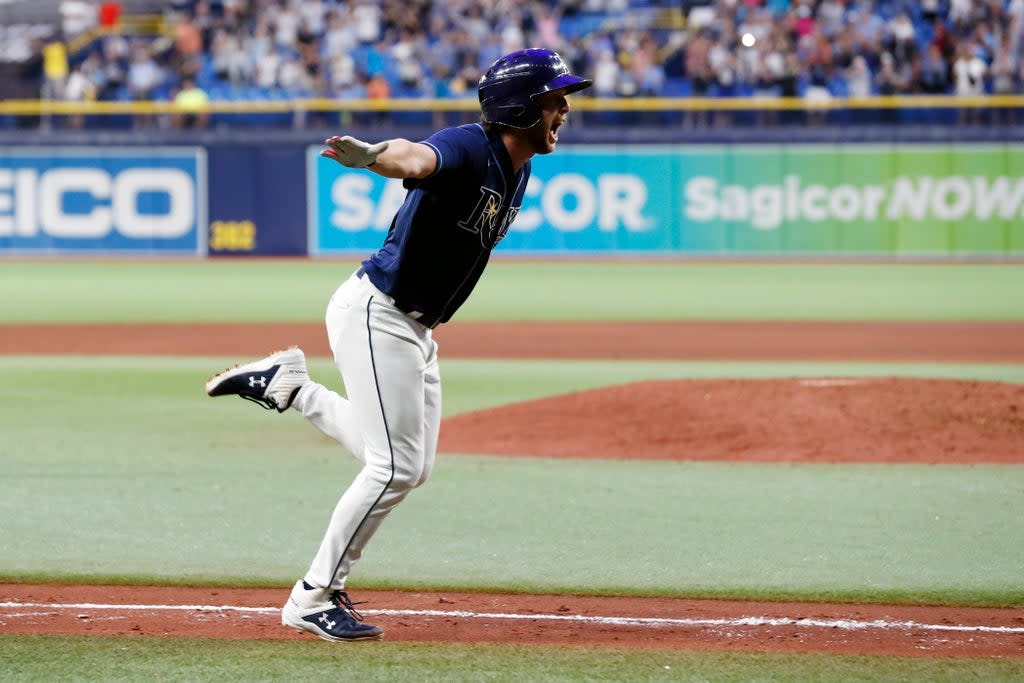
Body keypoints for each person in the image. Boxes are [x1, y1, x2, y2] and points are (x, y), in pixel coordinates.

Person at [205, 48, 591, 642]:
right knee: (393, 467)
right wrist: (372, 158)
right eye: (553, 99)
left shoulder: (520, 167)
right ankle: (312, 597)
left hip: (413, 327)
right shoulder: (468, 146)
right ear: (518, 108)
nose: (563, 108)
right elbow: (416, 156)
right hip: (377, 314)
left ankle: (291, 388)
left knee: (408, 465)